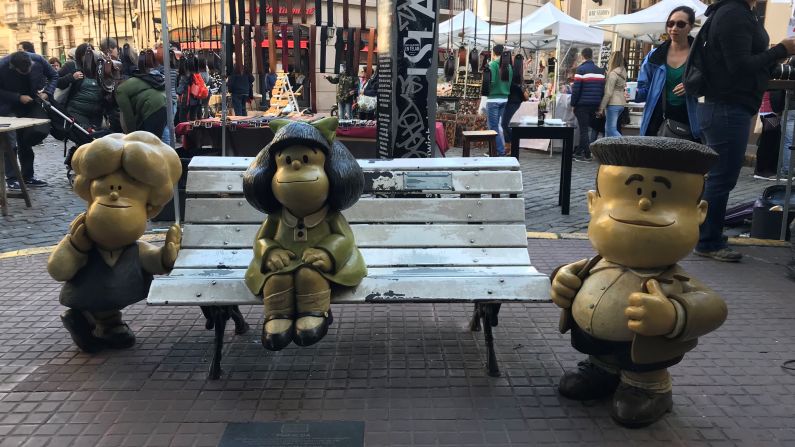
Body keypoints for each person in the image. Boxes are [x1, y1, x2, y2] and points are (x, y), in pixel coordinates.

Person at [695, 0, 795, 262]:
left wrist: (776, 58)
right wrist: (780, 50)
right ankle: (708, 241)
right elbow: (739, 65)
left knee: (720, 176)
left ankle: (709, 234)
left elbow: (747, 63)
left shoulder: (738, 12)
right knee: (722, 177)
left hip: (727, 105)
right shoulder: (733, 14)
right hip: (727, 106)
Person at [635, 7, 700, 142]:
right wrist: (631, 94)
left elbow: (712, 82)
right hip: (658, 119)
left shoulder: (700, 56)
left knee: (686, 162)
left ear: (690, 27)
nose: (674, 28)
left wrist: (692, 85)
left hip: (691, 120)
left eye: (680, 24)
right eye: (670, 24)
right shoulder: (655, 56)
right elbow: (644, 89)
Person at [0, 51, 58, 189]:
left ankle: (28, 176)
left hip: (30, 104)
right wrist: (17, 97)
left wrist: (47, 92)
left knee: (27, 140)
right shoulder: (2, 66)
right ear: (14, 67)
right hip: (8, 106)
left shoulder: (38, 60)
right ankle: (12, 178)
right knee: (10, 141)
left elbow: (54, 75)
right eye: (22, 72)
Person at [115, 49, 168, 136]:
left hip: (153, 108)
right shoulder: (138, 81)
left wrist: (132, 135)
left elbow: (128, 116)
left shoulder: (120, 91)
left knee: (150, 142)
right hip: (164, 103)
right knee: (155, 140)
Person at [56, 44, 106, 130]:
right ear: (80, 56)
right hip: (76, 111)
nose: (89, 58)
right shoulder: (71, 66)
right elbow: (57, 82)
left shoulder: (99, 68)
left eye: (91, 55)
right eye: (86, 55)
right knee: (85, 133)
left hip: (96, 113)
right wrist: (71, 77)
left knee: (96, 134)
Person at [571, 48, 605, 162]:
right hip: (595, 104)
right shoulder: (600, 71)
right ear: (592, 55)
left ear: (582, 56)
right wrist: (599, 104)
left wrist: (573, 103)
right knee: (587, 129)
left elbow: (576, 89)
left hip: (582, 104)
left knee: (584, 130)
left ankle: (586, 154)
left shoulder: (581, 70)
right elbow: (602, 89)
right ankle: (580, 151)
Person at [485, 45, 512, 157]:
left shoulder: (493, 65)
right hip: (504, 98)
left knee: (494, 127)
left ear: (494, 52)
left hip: (493, 99)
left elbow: (490, 81)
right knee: (498, 126)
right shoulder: (509, 66)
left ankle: (500, 152)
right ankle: (497, 150)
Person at [598, 52, 628, 137]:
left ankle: (625, 145)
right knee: (608, 130)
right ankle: (608, 149)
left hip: (613, 103)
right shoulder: (623, 72)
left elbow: (608, 93)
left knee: (610, 129)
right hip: (621, 103)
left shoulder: (613, 74)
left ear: (612, 60)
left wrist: (601, 107)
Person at [502, 54, 528, 148]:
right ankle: (509, 144)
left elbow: (513, 86)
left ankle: (513, 143)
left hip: (513, 100)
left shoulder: (513, 71)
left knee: (504, 123)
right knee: (504, 123)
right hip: (514, 100)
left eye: (513, 57)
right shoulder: (517, 71)